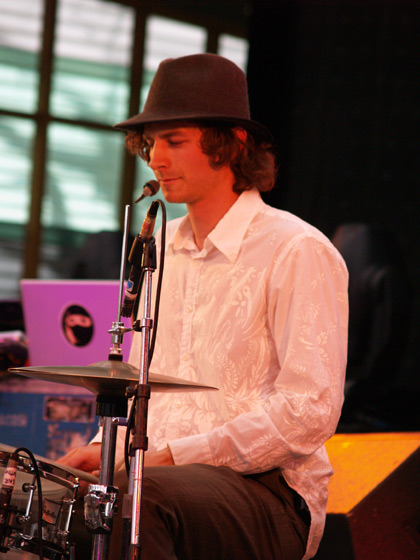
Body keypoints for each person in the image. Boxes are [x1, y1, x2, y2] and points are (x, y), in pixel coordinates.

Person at [59, 53, 348, 559]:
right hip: (155, 477)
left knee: (136, 499)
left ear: (231, 143)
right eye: (151, 143)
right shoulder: (158, 247)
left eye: (174, 141)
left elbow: (308, 411)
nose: (156, 159)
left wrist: (171, 457)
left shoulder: (296, 248)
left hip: (268, 492)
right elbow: (142, 386)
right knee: (46, 496)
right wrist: (105, 453)